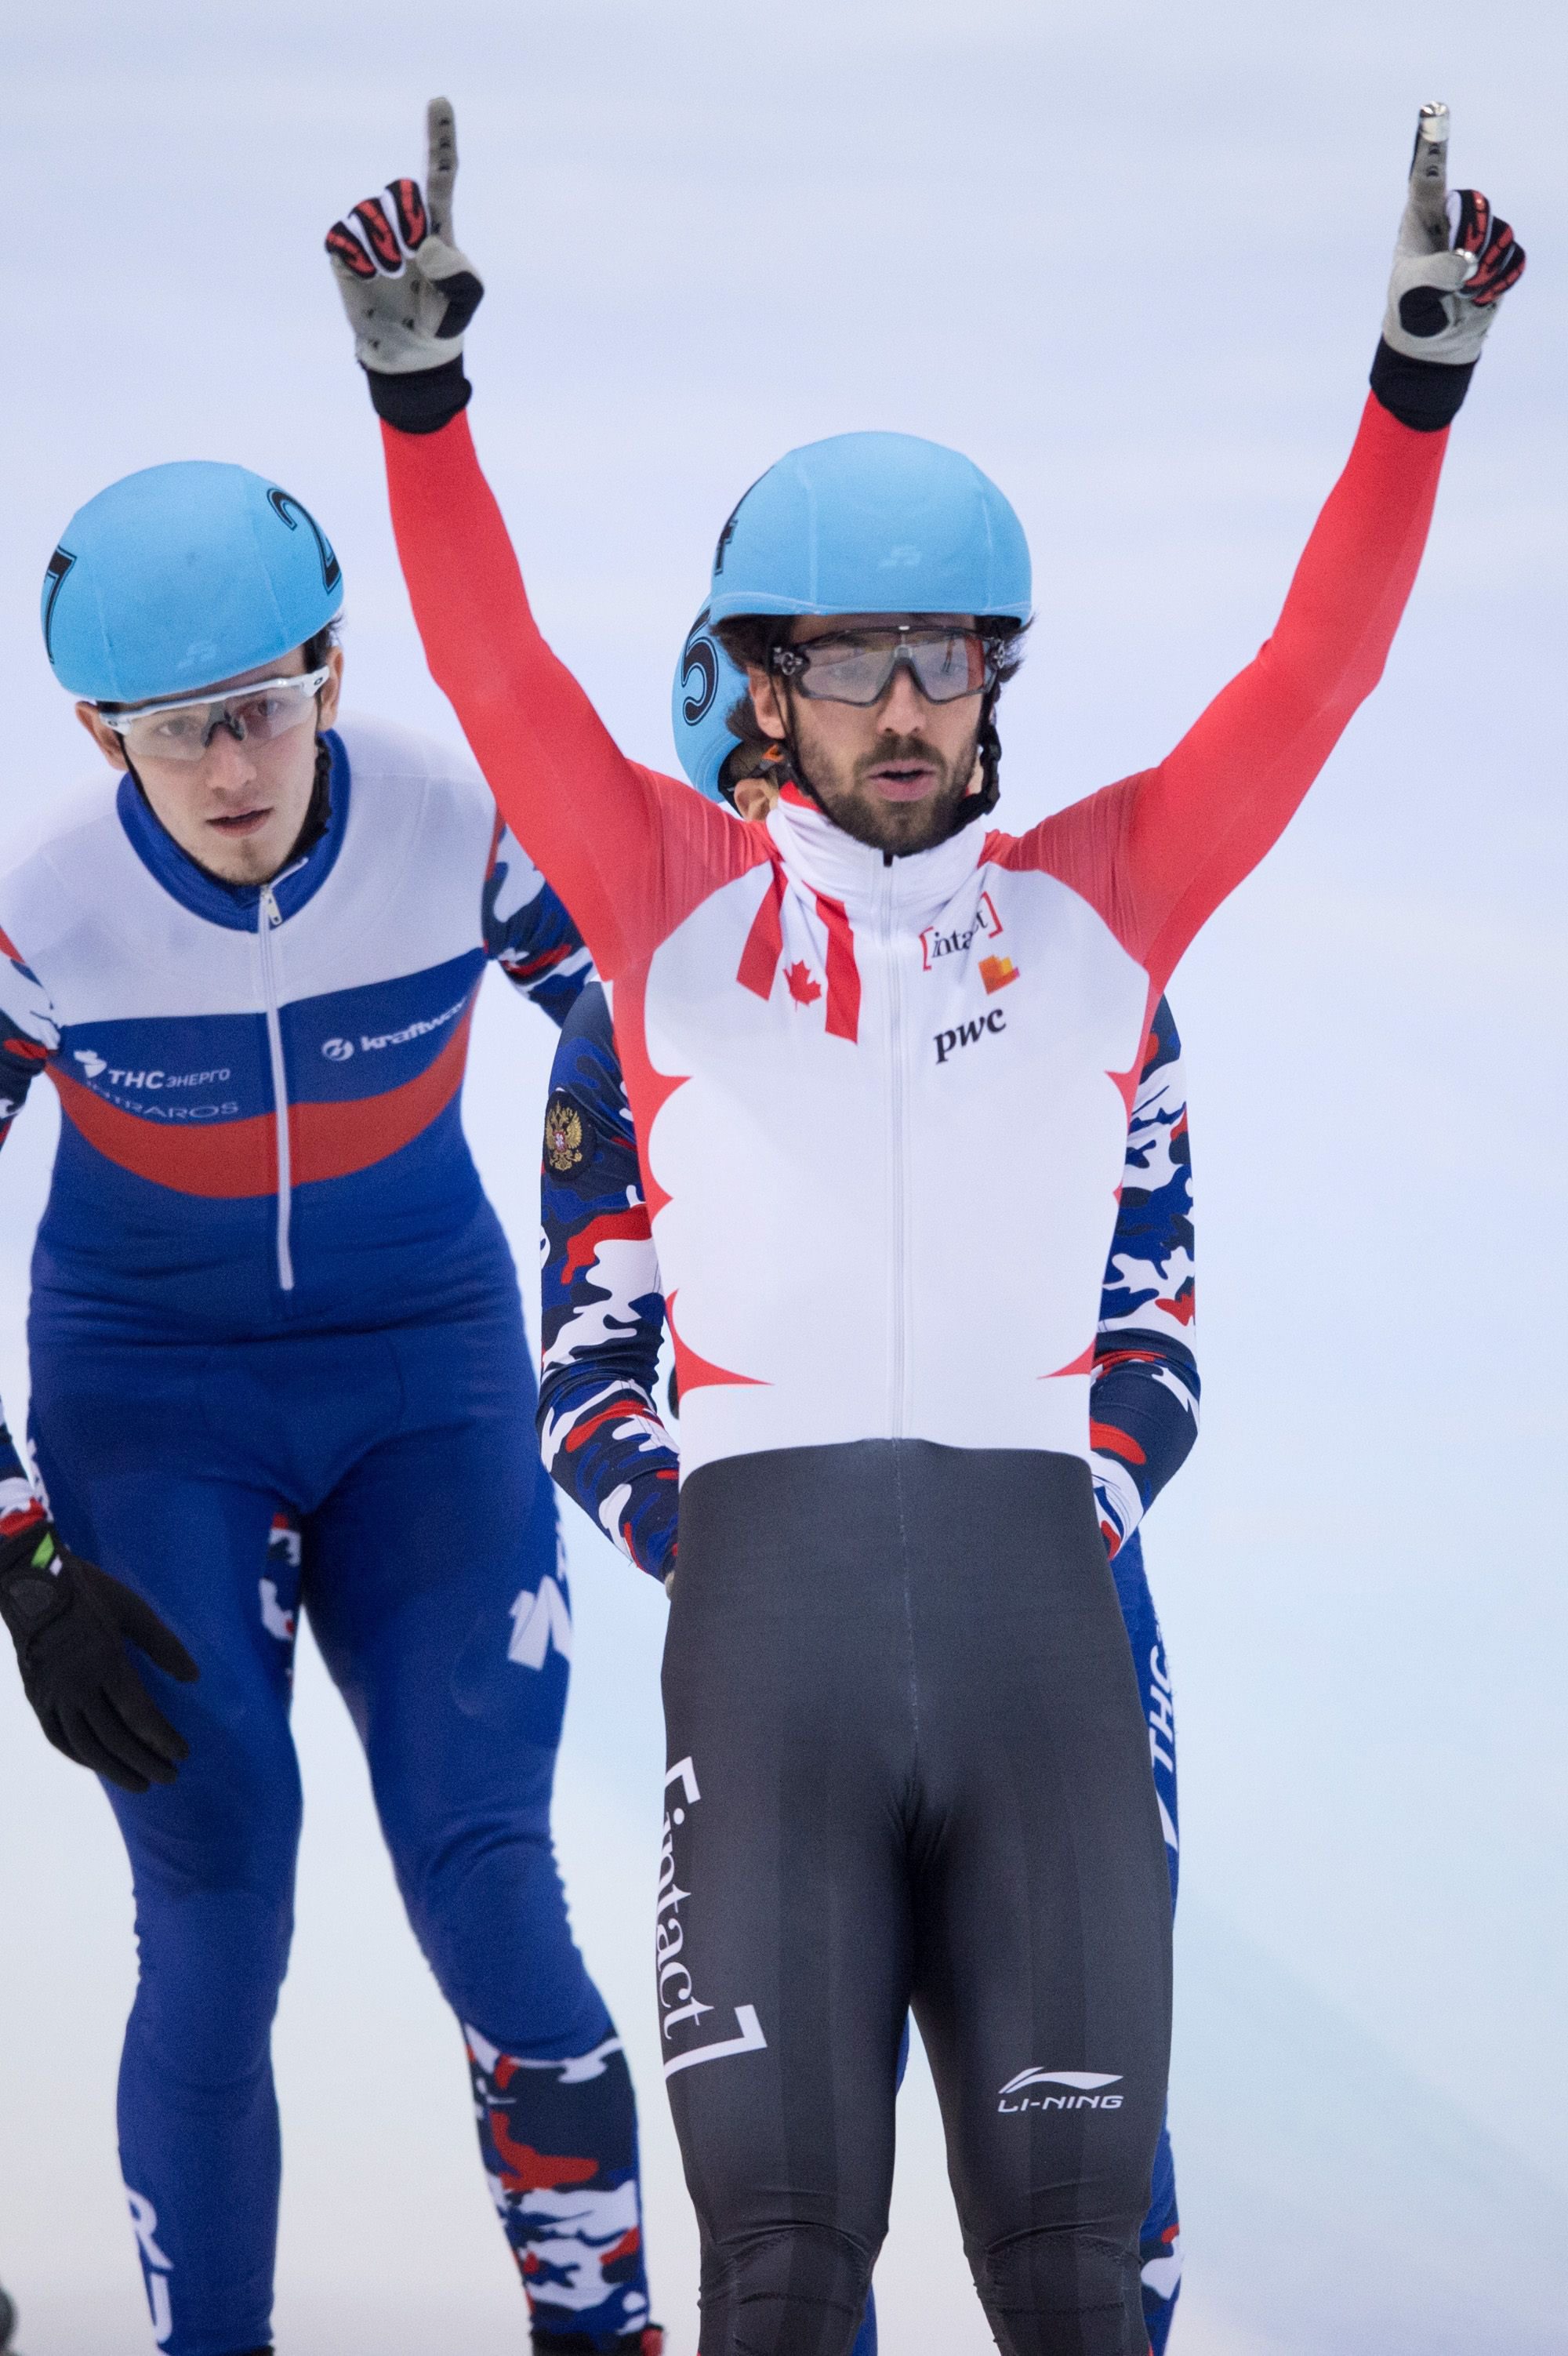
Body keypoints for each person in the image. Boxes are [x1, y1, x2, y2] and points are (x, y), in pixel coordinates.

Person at [325, 98, 1524, 2354]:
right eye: (851, 662)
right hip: (766, 1647)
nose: (903, 707)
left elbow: (1317, 681)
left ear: (999, 681)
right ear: (763, 689)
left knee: (1079, 2283)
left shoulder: (1102, 909)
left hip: (1036, 1650)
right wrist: (421, 409)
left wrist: (1413, 394)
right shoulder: (665, 911)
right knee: (781, 2279)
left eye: (947, 659)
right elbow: (498, 679)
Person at [0, 462, 662, 2356]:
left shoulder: (459, 831)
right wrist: (21, 1552)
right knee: (218, 1928)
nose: (230, 768)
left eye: (270, 707)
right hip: (154, 1409)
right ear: (93, 735)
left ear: (334, 666)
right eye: (172, 731)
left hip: (421, 1389)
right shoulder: (44, 915)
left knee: (498, 1899)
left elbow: (674, 1050)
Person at [536, 620, 1197, 2354]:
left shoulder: (1080, 977)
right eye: (750, 793)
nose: (804, 822)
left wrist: (1058, 1528)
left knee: (1088, 2198)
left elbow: (1156, 1336)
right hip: (784, 1639)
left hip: (1049, 1617)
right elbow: (589, 1376)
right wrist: (735, 1555)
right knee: (786, 2220)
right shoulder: (638, 1010)